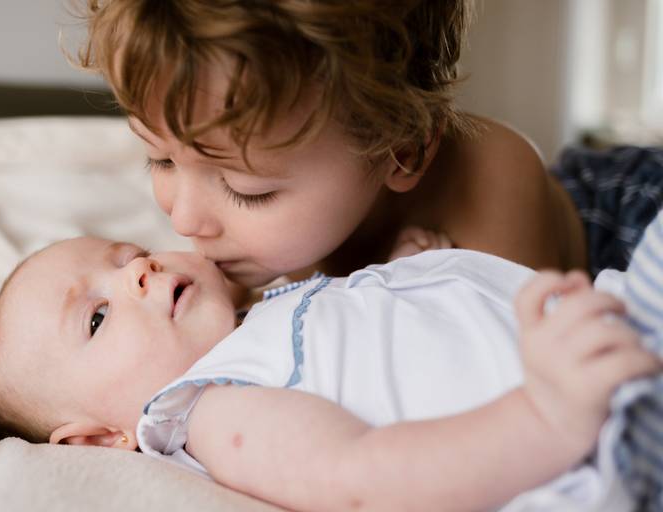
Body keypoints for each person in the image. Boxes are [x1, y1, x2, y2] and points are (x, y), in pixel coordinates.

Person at [0, 214, 663, 511]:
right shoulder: (215, 411)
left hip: (615, 329)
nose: (137, 272)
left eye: (123, 254)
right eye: (98, 317)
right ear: (96, 439)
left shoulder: (261, 317)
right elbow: (362, 477)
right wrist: (548, 416)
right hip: (599, 445)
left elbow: (369, 356)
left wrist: (399, 276)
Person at [75, 0, 587, 294]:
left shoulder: (494, 183)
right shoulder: (269, 234)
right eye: (160, 158)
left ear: (400, 152)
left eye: (246, 190)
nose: (185, 220)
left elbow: (512, 388)